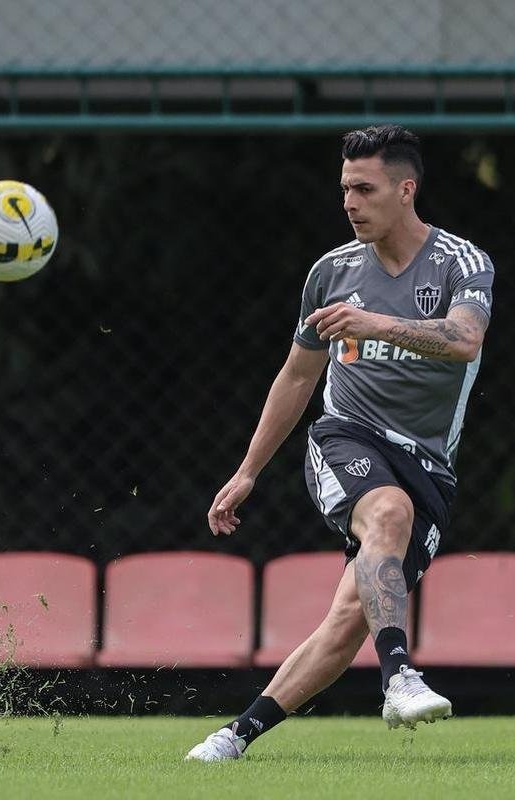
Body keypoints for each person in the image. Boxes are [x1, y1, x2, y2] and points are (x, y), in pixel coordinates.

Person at [185, 125, 495, 762]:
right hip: (344, 437)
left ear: (405, 190)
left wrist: (374, 321)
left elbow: (464, 341)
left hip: (428, 463)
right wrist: (248, 471)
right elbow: (298, 375)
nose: (350, 202)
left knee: (350, 618)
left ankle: (234, 736)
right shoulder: (332, 272)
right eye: (344, 189)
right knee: (386, 511)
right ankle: (400, 676)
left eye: (364, 188)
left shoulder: (462, 263)